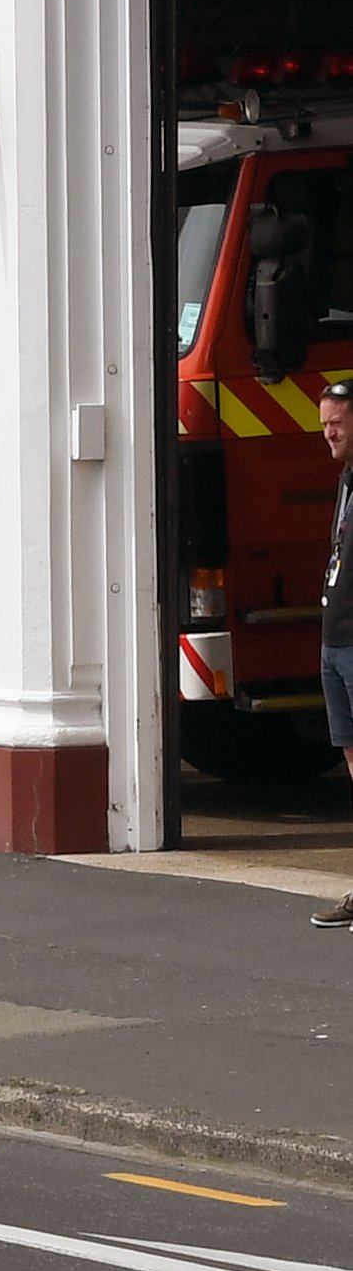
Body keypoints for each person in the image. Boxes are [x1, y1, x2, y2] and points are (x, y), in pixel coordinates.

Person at [311, 379, 353, 928]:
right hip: (335, 641)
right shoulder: (345, 479)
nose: (329, 432)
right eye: (324, 423)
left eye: (337, 422)